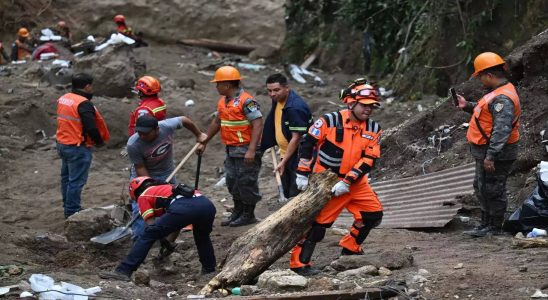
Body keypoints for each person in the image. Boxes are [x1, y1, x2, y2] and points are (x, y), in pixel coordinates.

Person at [289, 79, 383, 276]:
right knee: (317, 225)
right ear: (351, 103)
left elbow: (369, 158)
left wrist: (348, 181)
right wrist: (302, 173)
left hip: (356, 183)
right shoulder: (328, 121)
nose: (368, 110)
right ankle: (299, 263)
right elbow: (308, 145)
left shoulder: (374, 129)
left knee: (372, 215)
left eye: (372, 106)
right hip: (327, 181)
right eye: (364, 106)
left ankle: (350, 249)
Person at [99, 177, 216, 281]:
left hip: (184, 208)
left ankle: (124, 270)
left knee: (148, 235)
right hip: (207, 205)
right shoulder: (167, 189)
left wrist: (163, 240)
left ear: (135, 193)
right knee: (202, 238)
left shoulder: (143, 196)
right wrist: (168, 242)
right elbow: (177, 224)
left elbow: (151, 227)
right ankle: (209, 270)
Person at [458, 52, 521, 237]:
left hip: (495, 153)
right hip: (485, 151)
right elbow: (486, 115)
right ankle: (485, 224)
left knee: (494, 188)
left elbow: (502, 130)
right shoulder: (496, 93)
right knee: (482, 186)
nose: (480, 81)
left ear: (490, 76)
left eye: (481, 77)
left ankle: (494, 227)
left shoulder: (503, 98)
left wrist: (491, 156)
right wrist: (467, 105)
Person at [198, 66, 264, 227]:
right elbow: (217, 122)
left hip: (245, 149)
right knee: (232, 181)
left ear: (227, 85)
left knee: (246, 182)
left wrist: (251, 150)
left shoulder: (247, 101)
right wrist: (205, 140)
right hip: (231, 149)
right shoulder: (223, 101)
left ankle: (249, 214)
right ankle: (238, 210)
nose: (216, 87)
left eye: (218, 83)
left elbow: (258, 124)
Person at [127, 115, 207, 239]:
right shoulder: (133, 144)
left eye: (146, 133)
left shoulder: (166, 126)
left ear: (156, 129)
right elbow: (140, 168)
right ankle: (139, 238)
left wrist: (199, 134)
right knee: (141, 209)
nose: (142, 135)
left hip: (167, 172)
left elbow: (185, 120)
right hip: (144, 177)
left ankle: (166, 239)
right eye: (139, 132)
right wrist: (151, 187)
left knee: (170, 205)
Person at [56, 73, 110, 218]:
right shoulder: (83, 104)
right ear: (87, 86)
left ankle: (68, 206)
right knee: (76, 181)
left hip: (63, 143)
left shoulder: (65, 98)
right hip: (77, 147)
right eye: (91, 86)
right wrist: (99, 142)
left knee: (66, 179)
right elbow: (91, 127)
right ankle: (72, 212)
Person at [261, 73, 312, 198]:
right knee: (287, 190)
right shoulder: (278, 100)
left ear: (287, 88)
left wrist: (283, 162)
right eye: (269, 91)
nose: (272, 94)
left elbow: (297, 138)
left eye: (276, 90)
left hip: (299, 156)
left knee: (296, 194)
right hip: (287, 154)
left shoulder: (295, 108)